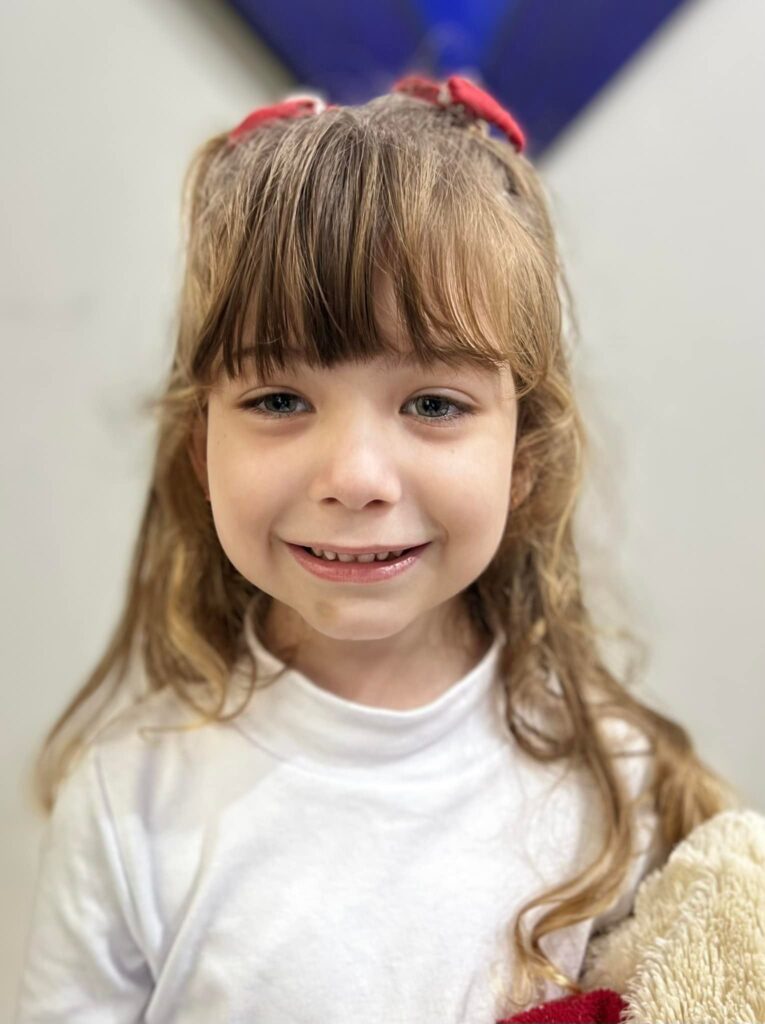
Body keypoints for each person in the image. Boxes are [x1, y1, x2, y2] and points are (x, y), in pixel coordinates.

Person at [14, 74, 741, 1023]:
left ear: (522, 459)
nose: (355, 477)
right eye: (279, 400)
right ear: (202, 449)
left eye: (432, 403)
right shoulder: (127, 808)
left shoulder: (619, 788)